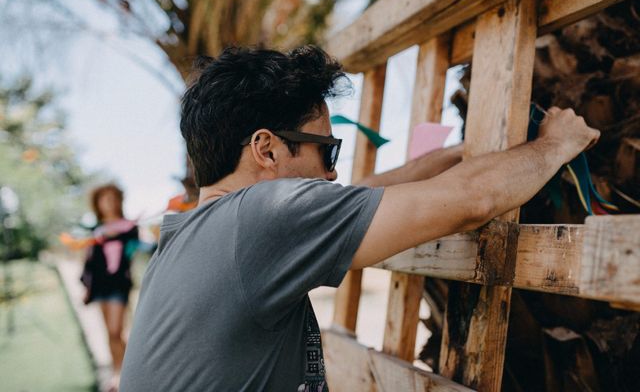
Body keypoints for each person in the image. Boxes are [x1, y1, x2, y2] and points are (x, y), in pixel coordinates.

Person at [120, 46, 599, 391]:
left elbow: (379, 189)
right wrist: (555, 144)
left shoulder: (201, 231)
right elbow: (473, 199)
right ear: (266, 148)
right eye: (327, 151)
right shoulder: (264, 218)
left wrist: (464, 152)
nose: (331, 176)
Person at [81, 185, 138, 391]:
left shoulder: (129, 226)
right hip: (100, 287)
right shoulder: (95, 231)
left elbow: (132, 252)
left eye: (113, 198)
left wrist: (119, 235)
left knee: (116, 331)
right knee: (110, 333)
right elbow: (89, 262)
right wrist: (87, 287)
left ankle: (129, 373)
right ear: (98, 204)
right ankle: (117, 373)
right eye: (104, 199)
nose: (109, 203)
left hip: (118, 286)